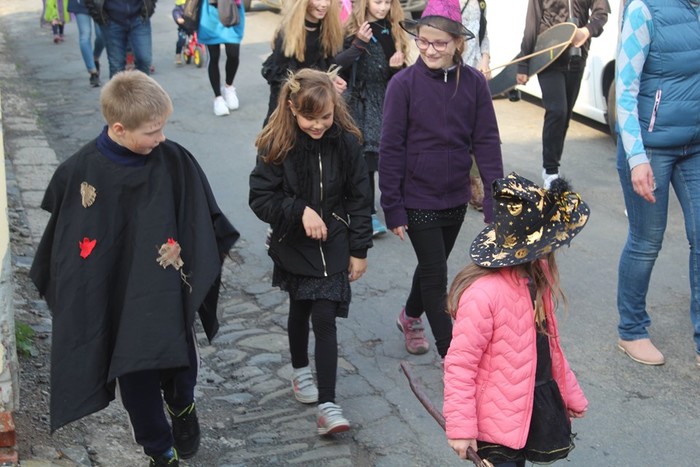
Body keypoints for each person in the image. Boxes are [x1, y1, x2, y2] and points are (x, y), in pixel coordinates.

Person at [29, 71, 239, 467]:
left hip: (166, 289)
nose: (161, 137)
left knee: (180, 361)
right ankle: (159, 449)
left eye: (162, 128)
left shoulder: (173, 160)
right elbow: (67, 245)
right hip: (120, 300)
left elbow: (202, 218)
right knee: (135, 372)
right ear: (119, 129)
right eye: (152, 131)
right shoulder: (80, 173)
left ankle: (182, 405)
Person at [249, 68, 372, 435]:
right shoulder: (277, 144)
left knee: (324, 317)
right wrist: (299, 210)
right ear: (292, 108)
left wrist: (359, 249)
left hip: (335, 239)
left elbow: (360, 198)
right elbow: (261, 198)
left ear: (335, 108)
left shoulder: (347, 142)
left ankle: (328, 405)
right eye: (309, 118)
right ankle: (301, 370)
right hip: (294, 241)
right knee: (299, 308)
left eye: (325, 117)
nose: (318, 125)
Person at [378, 0, 503, 358]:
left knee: (432, 265)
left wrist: (495, 201)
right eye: (423, 41)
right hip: (417, 196)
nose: (430, 50)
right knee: (436, 275)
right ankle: (453, 356)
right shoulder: (402, 85)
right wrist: (392, 206)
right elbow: (390, 148)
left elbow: (487, 143)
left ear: (458, 43)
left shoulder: (475, 84)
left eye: (439, 43)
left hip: (455, 196)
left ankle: (409, 315)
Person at [444, 172, 590, 466]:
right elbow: (460, 364)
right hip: (493, 426)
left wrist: (569, 394)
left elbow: (550, 349)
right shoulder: (483, 294)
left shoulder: (537, 279)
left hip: (527, 410)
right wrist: (461, 428)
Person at [615, 0, 700, 367]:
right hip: (650, 146)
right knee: (647, 241)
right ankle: (631, 330)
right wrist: (637, 158)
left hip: (695, 144)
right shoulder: (645, 9)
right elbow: (624, 90)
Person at [334, 0, 409, 237]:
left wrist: (397, 68)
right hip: (359, 100)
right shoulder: (352, 27)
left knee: (386, 156)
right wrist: (358, 43)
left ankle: (391, 205)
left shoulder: (393, 28)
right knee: (364, 158)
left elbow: (401, 74)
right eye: (378, 1)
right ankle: (367, 212)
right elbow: (337, 64)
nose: (383, 7)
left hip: (385, 99)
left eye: (388, 2)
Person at [515, 0, 609, 189]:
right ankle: (551, 172)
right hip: (548, 56)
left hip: (577, 57)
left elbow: (601, 14)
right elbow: (532, 22)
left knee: (565, 116)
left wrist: (586, 31)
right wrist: (523, 64)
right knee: (557, 110)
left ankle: (552, 165)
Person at [261, 0, 347, 126]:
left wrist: (333, 78)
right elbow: (281, 81)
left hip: (318, 110)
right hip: (289, 113)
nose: (324, 4)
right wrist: (325, 84)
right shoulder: (288, 34)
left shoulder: (328, 30)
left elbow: (327, 66)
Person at [459, 0, 489, 212]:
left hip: (476, 75)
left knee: (479, 131)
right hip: (453, 74)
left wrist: (485, 59)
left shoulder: (480, 2)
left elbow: (483, 33)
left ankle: (477, 184)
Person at [198, 0, 246, 116]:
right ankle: (218, 97)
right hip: (210, 13)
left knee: (233, 54)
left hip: (231, 10)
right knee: (213, 57)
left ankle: (228, 86)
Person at [86, 0, 157, 77]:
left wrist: (150, 7)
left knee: (144, 60)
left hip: (139, 18)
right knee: (117, 67)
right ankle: (121, 85)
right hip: (112, 20)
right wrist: (98, 15)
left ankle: (140, 84)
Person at [68, 0, 105, 87]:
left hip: (98, 3)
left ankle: (95, 57)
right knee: (85, 35)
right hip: (80, 3)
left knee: (102, 35)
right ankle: (93, 71)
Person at [172, 0, 188, 65]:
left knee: (199, 38)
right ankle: (178, 55)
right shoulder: (178, 9)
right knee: (181, 40)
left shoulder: (192, 6)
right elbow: (175, 13)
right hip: (183, 27)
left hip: (192, 27)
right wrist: (178, 18)